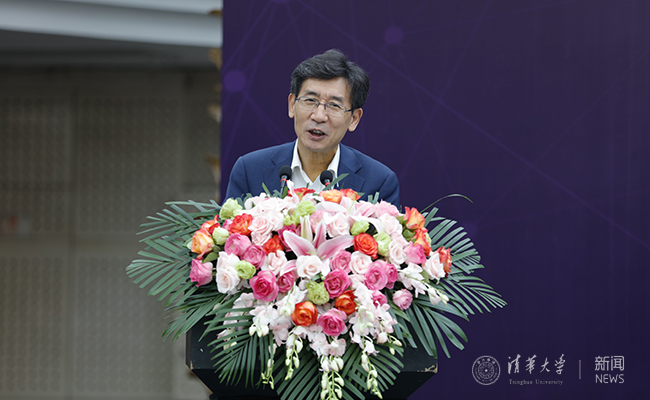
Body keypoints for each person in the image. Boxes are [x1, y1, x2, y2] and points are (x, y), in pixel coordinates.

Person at [224, 49, 400, 206]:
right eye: (310, 100)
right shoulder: (249, 170)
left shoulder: (379, 182)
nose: (319, 116)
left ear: (354, 119)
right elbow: (230, 230)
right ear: (292, 105)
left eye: (334, 105)